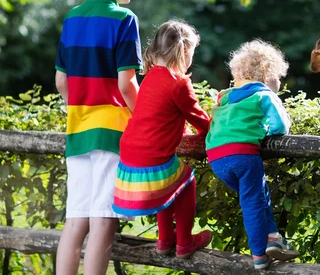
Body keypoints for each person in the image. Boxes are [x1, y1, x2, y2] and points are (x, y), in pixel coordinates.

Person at [54, 0, 143, 275]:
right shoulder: (124, 19)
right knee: (103, 220)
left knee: (76, 219)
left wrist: (81, 109)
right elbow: (126, 84)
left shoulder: (72, 17)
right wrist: (144, 117)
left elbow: (61, 81)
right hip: (111, 132)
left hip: (77, 130)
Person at [112, 19, 213, 259]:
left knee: (167, 185)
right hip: (152, 158)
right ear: (185, 52)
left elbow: (161, 116)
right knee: (186, 181)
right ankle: (185, 242)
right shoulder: (179, 83)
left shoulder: (149, 78)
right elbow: (199, 119)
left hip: (129, 156)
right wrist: (212, 131)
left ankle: (165, 240)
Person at [205, 39, 299, 270]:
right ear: (269, 75)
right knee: (254, 204)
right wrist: (266, 128)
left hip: (216, 159)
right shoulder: (263, 94)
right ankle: (260, 256)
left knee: (257, 196)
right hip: (243, 155)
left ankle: (273, 238)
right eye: (278, 77)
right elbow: (281, 126)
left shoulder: (224, 97)